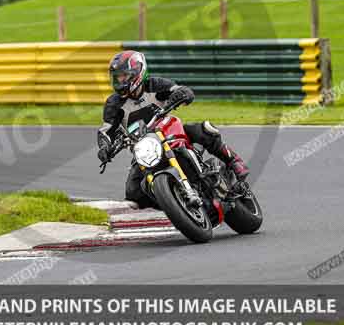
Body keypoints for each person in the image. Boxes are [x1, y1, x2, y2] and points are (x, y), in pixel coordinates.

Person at [97, 50, 249, 208]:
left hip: (168, 132)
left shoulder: (154, 85)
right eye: (117, 77)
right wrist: (104, 147)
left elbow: (179, 89)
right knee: (133, 192)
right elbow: (106, 131)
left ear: (137, 72)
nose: (119, 81)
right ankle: (173, 203)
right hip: (144, 150)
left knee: (204, 130)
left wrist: (182, 94)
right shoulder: (113, 104)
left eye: (123, 76)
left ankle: (233, 161)